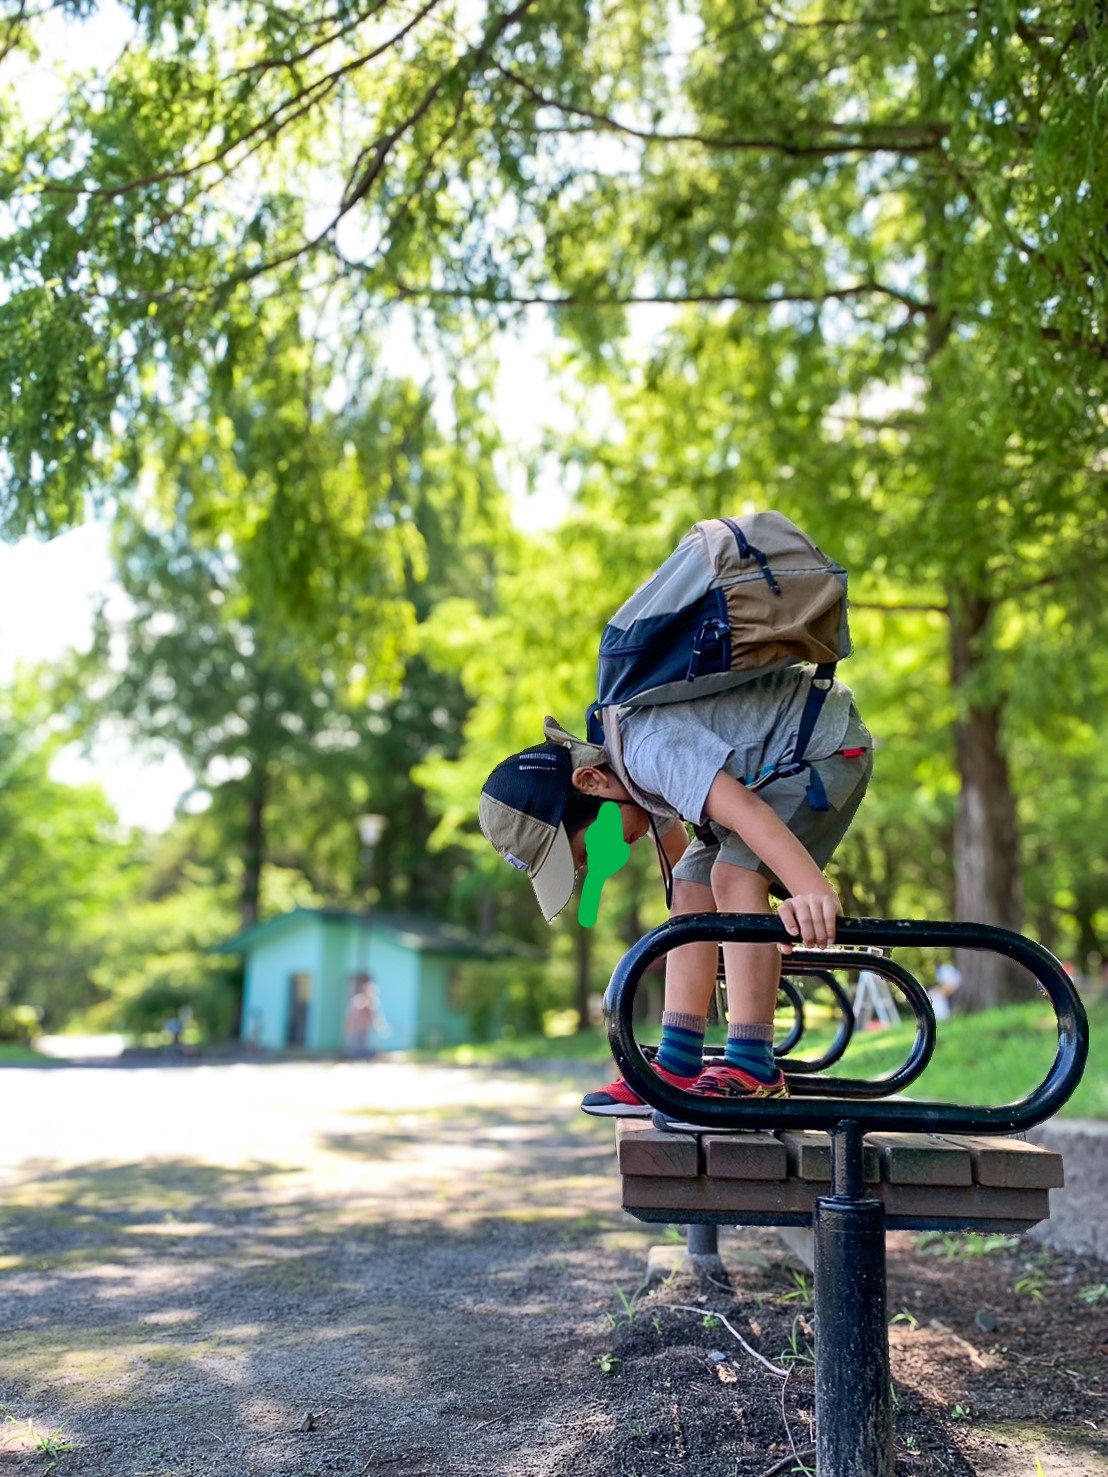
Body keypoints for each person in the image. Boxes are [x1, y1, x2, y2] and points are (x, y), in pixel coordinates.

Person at [479, 663, 872, 1115]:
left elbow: (744, 811)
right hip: (774, 769)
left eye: (585, 849)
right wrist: (731, 936)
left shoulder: (648, 752)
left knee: (734, 877)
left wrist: (809, 890)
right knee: (691, 887)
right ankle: (678, 1063)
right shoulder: (627, 771)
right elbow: (680, 865)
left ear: (590, 782)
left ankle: (752, 1067)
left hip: (820, 747)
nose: (596, 863)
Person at [344, 973, 384, 1059]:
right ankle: (354, 1058)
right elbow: (353, 1014)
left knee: (365, 1045)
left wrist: (379, 1025)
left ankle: (364, 1057)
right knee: (355, 1044)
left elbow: (375, 1014)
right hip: (356, 1027)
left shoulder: (373, 1001)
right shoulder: (358, 999)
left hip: (366, 1028)